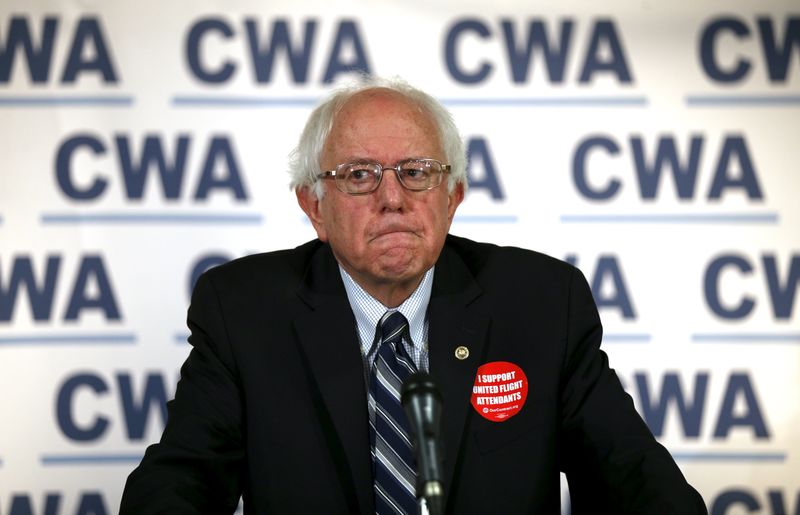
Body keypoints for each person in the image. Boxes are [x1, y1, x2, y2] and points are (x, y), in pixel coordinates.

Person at [120, 77, 706, 514]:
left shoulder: (543, 304)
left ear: (452, 196)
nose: (392, 198)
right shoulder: (244, 311)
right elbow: (182, 482)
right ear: (312, 207)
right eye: (358, 175)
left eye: (417, 171)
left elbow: (634, 477)